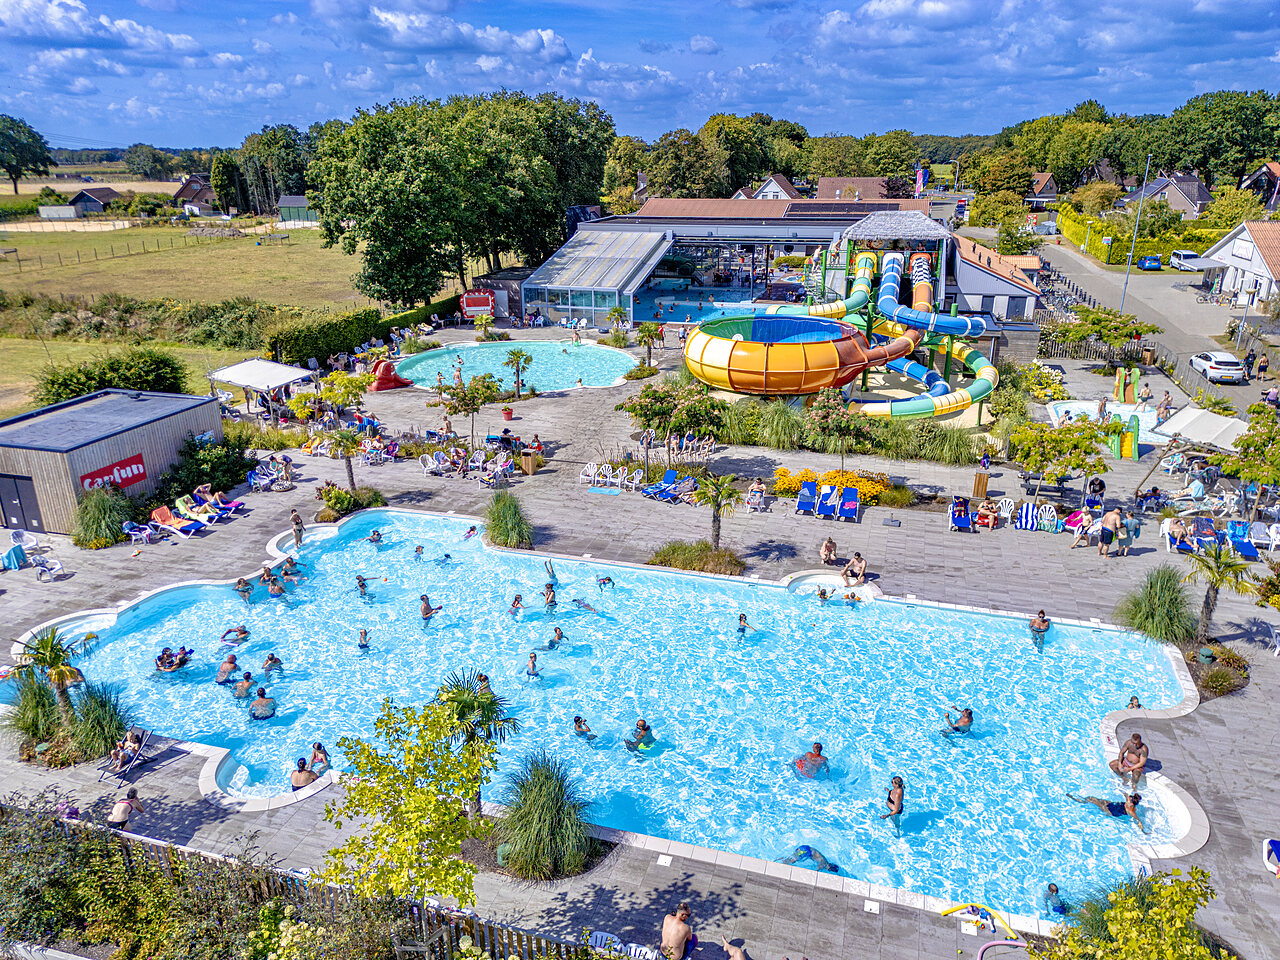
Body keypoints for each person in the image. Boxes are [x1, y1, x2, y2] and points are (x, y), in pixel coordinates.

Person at [1067, 792, 1147, 833]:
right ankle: (1082, 799)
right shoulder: (1130, 802)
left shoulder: (1131, 811)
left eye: (1127, 800)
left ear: (1131, 804)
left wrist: (1142, 830)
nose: (1126, 800)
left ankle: (1078, 800)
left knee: (1091, 800)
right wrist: (1125, 795)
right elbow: (1127, 797)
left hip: (1110, 811)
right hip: (1112, 804)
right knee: (1092, 798)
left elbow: (1138, 821)